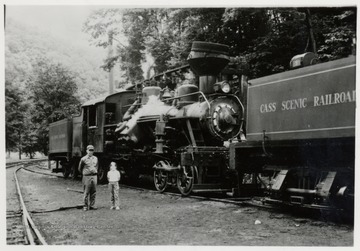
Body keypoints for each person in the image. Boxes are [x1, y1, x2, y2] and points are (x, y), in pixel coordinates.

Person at [78, 145, 98, 211]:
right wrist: (85, 173)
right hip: (87, 177)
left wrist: (95, 172)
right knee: (86, 192)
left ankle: (92, 205)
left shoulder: (95, 158)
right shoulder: (83, 159)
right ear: (87, 151)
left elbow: (97, 166)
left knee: (93, 191)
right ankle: (85, 206)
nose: (91, 152)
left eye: (92, 150)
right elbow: (80, 168)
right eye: (89, 150)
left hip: (94, 176)